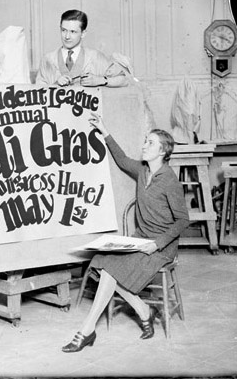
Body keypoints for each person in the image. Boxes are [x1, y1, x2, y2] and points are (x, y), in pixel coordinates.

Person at [62, 114, 189, 353]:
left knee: (111, 271)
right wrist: (104, 130)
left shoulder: (170, 181)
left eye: (150, 143)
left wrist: (157, 244)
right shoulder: (143, 171)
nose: (144, 145)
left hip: (161, 246)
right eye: (145, 141)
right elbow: (121, 160)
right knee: (102, 262)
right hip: (141, 238)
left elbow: (183, 220)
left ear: (162, 151)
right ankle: (144, 310)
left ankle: (87, 330)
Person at [36, 9, 128, 88]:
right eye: (64, 30)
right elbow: (37, 92)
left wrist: (100, 80)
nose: (67, 36)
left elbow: (124, 80)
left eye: (73, 32)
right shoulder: (48, 59)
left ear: (83, 33)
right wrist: (55, 85)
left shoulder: (95, 57)